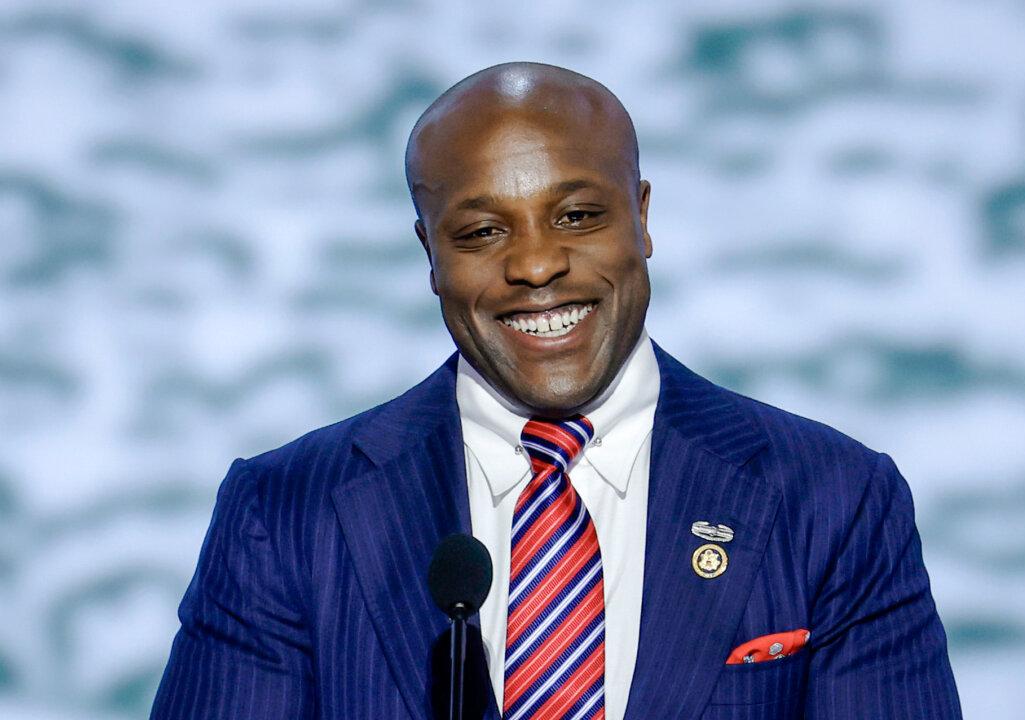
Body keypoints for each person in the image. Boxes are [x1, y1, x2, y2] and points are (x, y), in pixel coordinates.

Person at [150, 62, 962, 720]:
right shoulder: (287, 512)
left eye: (577, 217)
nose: (536, 265)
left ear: (641, 217)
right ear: (430, 254)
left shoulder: (833, 500)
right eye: (482, 232)